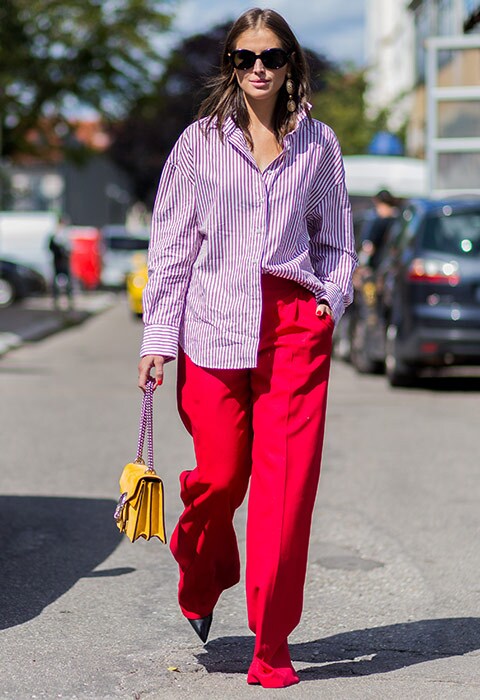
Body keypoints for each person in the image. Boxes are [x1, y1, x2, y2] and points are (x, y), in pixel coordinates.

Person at [138, 8, 357, 689]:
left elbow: (338, 244)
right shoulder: (199, 144)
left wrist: (328, 304)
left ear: (291, 63)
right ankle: (200, 560)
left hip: (294, 326)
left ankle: (271, 643)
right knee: (223, 478)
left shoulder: (319, 145)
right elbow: (173, 248)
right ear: (230, 67)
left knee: (285, 495)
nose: (257, 67)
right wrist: (156, 339)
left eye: (271, 56)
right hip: (212, 327)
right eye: (244, 57)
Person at [358, 189, 400, 269]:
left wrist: (362, 264)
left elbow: (368, 247)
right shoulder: (400, 219)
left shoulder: (377, 221)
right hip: (391, 265)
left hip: (379, 265)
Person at [48, 217, 73, 308]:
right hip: (57, 262)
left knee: (68, 283)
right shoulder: (54, 235)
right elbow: (50, 247)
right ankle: (56, 300)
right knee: (55, 282)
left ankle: (69, 300)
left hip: (64, 262)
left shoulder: (66, 235)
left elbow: (70, 249)